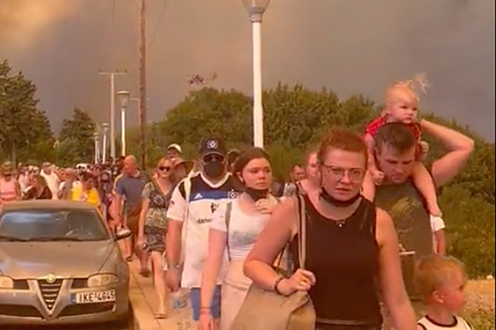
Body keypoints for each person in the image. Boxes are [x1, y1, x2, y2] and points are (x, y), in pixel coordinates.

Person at [243, 128, 415, 330]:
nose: (346, 180)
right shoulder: (294, 210)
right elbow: (253, 264)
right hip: (308, 324)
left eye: (355, 172)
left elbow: (397, 300)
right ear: (321, 169)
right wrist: (282, 283)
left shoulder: (379, 220)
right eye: (336, 171)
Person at [199, 147, 279, 330]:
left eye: (267, 171)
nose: (262, 176)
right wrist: (205, 310)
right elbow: (212, 262)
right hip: (237, 292)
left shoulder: (284, 207)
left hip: (274, 291)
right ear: (240, 176)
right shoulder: (227, 211)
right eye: (254, 171)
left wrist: (278, 214)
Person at [373, 121, 474, 263]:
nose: (400, 170)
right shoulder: (360, 185)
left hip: (422, 278)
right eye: (392, 162)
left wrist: (420, 123)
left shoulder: (422, 180)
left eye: (407, 162)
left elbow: (465, 147)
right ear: (377, 154)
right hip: (380, 276)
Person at [166, 137, 237, 327]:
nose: (213, 162)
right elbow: (174, 228)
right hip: (199, 277)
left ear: (226, 160)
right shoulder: (186, 188)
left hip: (235, 276)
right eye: (209, 158)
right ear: (200, 160)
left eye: (218, 157)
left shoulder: (239, 186)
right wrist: (172, 267)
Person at [363, 76, 440, 218]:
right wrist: (373, 168)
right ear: (389, 109)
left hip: (405, 163)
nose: (410, 113)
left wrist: (420, 151)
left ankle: (432, 202)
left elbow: (414, 153)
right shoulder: (379, 125)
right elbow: (367, 146)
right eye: (404, 108)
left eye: (414, 109)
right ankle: (365, 206)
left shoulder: (414, 128)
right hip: (376, 162)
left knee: (419, 168)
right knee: (366, 177)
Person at [137, 158, 175, 318]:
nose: (165, 171)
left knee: (170, 266)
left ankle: (169, 296)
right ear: (157, 169)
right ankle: (161, 305)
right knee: (158, 266)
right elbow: (143, 211)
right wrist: (140, 235)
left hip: (172, 230)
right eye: (162, 168)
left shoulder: (177, 187)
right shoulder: (150, 187)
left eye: (168, 168)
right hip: (153, 230)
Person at [415, 255, 474, 330]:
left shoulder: (465, 325)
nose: (465, 293)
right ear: (439, 296)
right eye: (460, 288)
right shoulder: (422, 328)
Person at [114, 155, 148, 269]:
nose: (125, 167)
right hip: (130, 210)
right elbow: (118, 198)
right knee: (128, 233)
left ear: (134, 165)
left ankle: (143, 264)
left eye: (127, 165)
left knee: (142, 236)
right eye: (125, 165)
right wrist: (117, 214)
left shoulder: (145, 177)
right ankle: (128, 253)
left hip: (144, 209)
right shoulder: (122, 180)